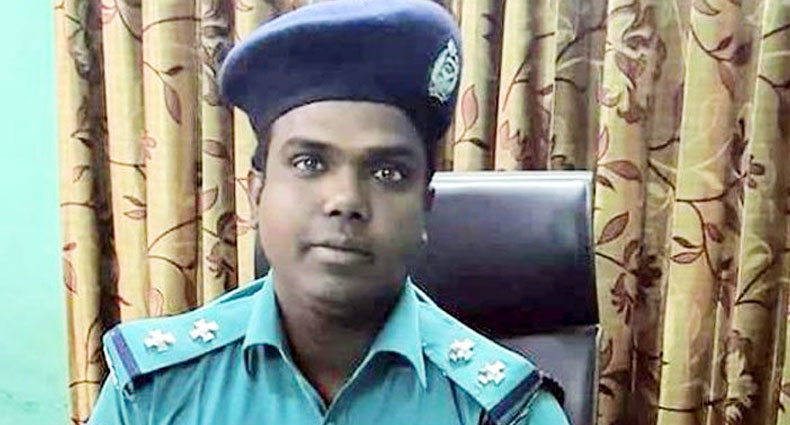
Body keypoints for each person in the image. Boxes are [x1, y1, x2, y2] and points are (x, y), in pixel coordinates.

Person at [88, 1, 570, 424]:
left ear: (425, 210)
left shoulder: (505, 413)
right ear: (257, 193)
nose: (345, 200)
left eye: (387, 172)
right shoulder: (152, 396)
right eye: (309, 162)